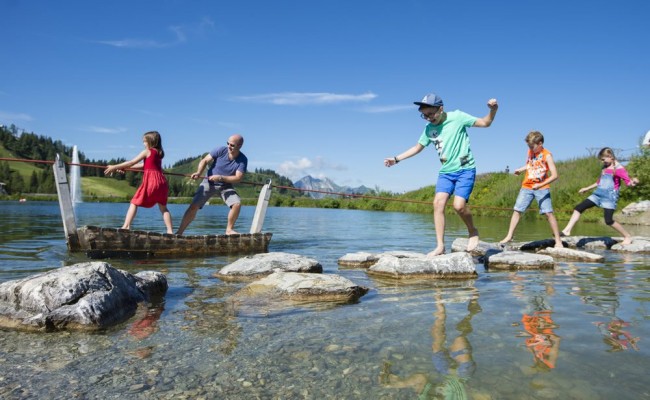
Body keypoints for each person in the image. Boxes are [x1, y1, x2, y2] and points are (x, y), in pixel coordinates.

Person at [384, 93, 498, 256]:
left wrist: (493, 110)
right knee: (438, 204)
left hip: (465, 169)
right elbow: (417, 147)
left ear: (441, 109)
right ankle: (440, 246)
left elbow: (485, 123)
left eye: (431, 114)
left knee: (459, 206)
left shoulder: (458, 117)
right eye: (425, 115)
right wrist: (396, 159)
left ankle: (472, 231)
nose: (429, 118)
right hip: (446, 172)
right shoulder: (429, 129)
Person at [560, 147, 639, 245]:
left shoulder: (619, 169)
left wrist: (633, 182)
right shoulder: (604, 167)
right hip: (597, 194)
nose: (602, 162)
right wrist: (587, 188)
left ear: (610, 156)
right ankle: (567, 230)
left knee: (608, 221)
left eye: (603, 159)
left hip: (609, 197)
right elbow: (599, 182)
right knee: (578, 208)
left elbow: (628, 182)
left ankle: (627, 236)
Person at [499, 131, 563, 247]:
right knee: (517, 210)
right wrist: (521, 169)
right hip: (526, 187)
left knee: (548, 213)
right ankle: (509, 236)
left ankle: (558, 241)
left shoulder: (547, 155)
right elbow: (530, 165)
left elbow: (555, 175)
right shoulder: (530, 152)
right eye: (529, 146)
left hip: (542, 188)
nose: (530, 149)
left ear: (540, 143)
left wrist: (540, 184)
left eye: (532, 146)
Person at [176, 134, 247, 235]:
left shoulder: (243, 159)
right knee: (193, 206)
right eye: (228, 143)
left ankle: (229, 230)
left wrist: (221, 178)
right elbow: (205, 160)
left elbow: (238, 178)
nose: (229, 146)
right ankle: (179, 232)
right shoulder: (220, 150)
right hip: (208, 183)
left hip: (226, 186)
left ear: (239, 146)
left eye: (232, 145)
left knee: (237, 204)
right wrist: (198, 172)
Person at [104, 131, 173, 233]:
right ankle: (170, 231)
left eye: (144, 141)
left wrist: (115, 166)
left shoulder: (147, 151)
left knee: (134, 202)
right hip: (162, 183)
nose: (143, 144)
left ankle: (126, 226)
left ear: (150, 141)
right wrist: (125, 168)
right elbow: (142, 166)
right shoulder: (158, 153)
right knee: (163, 208)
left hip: (151, 181)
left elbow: (132, 162)